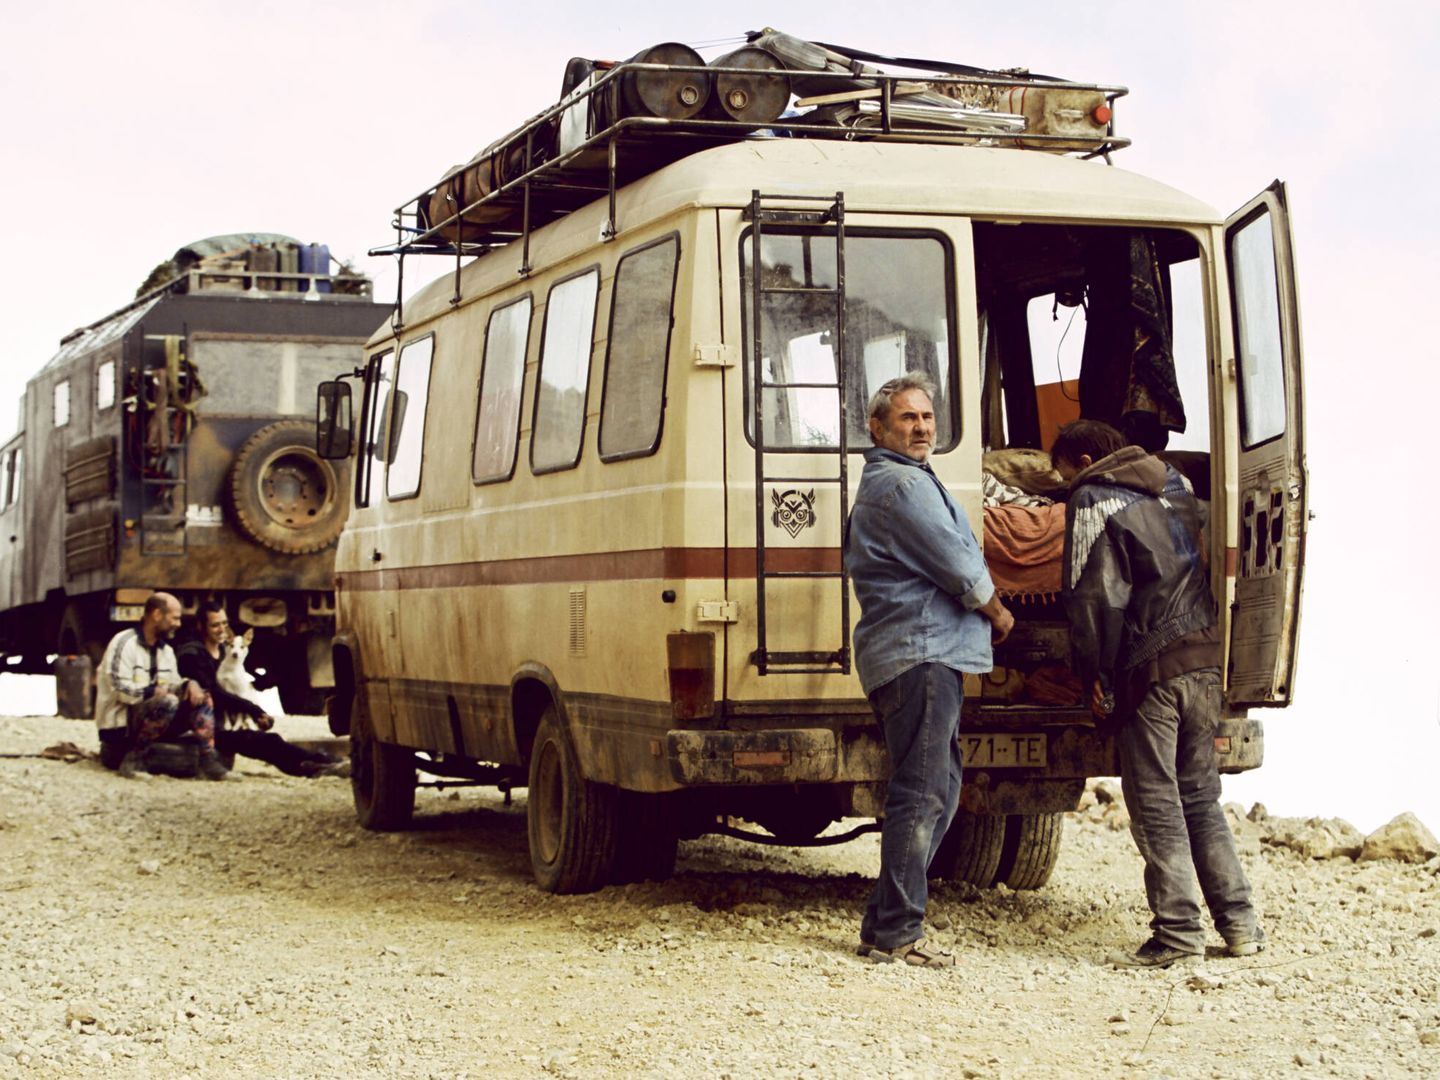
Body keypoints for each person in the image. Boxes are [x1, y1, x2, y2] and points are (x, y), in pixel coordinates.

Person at [1051, 418, 1264, 968]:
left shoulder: (1093, 497)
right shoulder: (1175, 482)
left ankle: (1178, 934)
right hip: (1204, 657)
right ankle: (1240, 926)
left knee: (1156, 801)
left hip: (1152, 666)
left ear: (1078, 461)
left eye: (1061, 474)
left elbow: (1093, 597)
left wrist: (1096, 675)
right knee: (1199, 795)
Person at [846, 372, 1014, 968]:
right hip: (919, 654)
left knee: (938, 788)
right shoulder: (900, 488)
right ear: (877, 427)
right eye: (907, 419)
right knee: (922, 791)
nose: (920, 428)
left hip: (924, 654)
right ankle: (897, 932)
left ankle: (882, 923)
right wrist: (998, 612)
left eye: (927, 418)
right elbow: (958, 566)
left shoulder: (906, 480)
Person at [175, 601, 342, 778]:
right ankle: (311, 766)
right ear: (201, 626)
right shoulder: (192, 655)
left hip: (226, 723)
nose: (222, 629)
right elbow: (214, 693)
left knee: (266, 740)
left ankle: (318, 761)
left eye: (224, 623)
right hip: (208, 728)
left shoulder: (227, 652)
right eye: (215, 625)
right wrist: (253, 710)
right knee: (263, 741)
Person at [94, 591, 232, 781]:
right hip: (122, 728)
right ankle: (134, 759)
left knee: (201, 695)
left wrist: (189, 685)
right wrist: (152, 692)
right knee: (166, 701)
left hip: (157, 719)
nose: (179, 624)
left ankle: (208, 761)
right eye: (174, 618)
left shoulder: (166, 650)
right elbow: (118, 688)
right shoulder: (124, 643)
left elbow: (173, 683)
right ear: (157, 615)